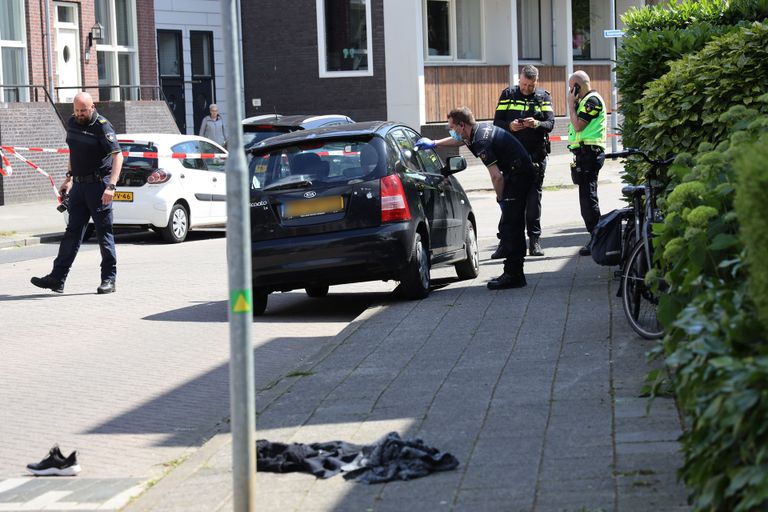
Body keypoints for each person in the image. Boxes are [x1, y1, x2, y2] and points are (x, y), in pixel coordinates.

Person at [415, 107, 536, 290]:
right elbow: (459, 141)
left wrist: (501, 199)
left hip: (519, 174)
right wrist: (434, 143)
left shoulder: (481, 141)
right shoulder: (476, 131)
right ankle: (513, 272)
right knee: (510, 224)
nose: (451, 130)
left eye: (452, 127)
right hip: (518, 171)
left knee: (512, 225)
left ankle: (514, 275)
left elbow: (496, 176)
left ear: (462, 125)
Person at [31, 91, 123, 294]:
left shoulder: (102, 126)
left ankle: (109, 279)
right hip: (79, 188)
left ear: (92, 108)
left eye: (83, 110)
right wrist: (69, 178)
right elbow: (74, 152)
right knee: (71, 234)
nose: (80, 114)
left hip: (99, 187)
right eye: (77, 110)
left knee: (103, 234)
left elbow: (118, 156)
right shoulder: (73, 122)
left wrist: (112, 186)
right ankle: (57, 279)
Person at [493, 64, 555, 257]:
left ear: (536, 82)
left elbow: (550, 123)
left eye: (531, 85)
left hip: (535, 157)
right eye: (524, 84)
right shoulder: (508, 94)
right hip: (511, 159)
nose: (526, 88)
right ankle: (505, 243)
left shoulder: (543, 97)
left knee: (533, 201)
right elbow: (497, 123)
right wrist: (510, 126)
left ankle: (534, 242)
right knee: (510, 202)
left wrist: (536, 124)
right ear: (519, 79)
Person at [567, 70, 607, 256]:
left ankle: (598, 238)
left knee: (589, 198)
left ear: (577, 86)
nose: (570, 92)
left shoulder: (592, 101)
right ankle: (596, 237)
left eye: (571, 87)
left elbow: (578, 125)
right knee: (586, 199)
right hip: (584, 154)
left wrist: (570, 105)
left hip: (591, 154)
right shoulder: (585, 102)